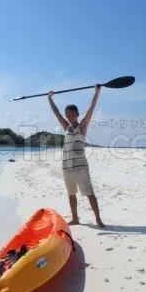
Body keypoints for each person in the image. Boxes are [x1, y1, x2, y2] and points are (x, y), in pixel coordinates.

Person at [47, 84, 105, 228]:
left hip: (80, 168)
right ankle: (75, 218)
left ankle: (98, 219)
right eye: (69, 115)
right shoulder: (66, 127)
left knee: (89, 193)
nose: (71, 117)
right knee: (71, 194)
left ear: (77, 115)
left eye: (73, 114)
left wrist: (96, 92)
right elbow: (56, 113)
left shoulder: (82, 126)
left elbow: (91, 109)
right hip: (66, 168)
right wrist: (50, 99)